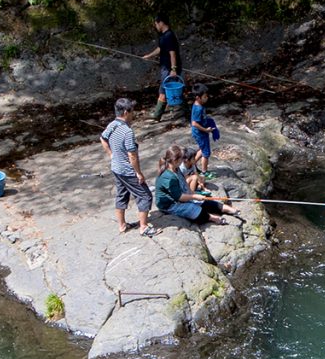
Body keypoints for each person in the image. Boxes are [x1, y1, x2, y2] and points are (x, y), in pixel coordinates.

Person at [100, 98, 159, 237]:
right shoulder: (127, 132)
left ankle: (122, 225)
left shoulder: (112, 124)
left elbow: (102, 138)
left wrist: (111, 155)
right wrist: (138, 173)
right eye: (132, 111)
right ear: (126, 112)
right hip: (127, 170)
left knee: (121, 195)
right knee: (145, 195)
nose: (134, 114)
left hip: (116, 168)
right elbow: (132, 155)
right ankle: (143, 228)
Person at [155, 145, 239, 226]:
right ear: (174, 160)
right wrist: (194, 196)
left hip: (182, 196)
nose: (183, 161)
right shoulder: (169, 177)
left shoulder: (176, 168)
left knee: (203, 201)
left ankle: (231, 210)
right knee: (193, 209)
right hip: (170, 205)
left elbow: (184, 184)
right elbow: (179, 197)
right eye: (181, 159)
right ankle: (213, 218)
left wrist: (192, 194)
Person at [142, 15, 182, 122]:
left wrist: (173, 69)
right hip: (165, 68)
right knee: (171, 91)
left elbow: (172, 53)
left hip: (169, 68)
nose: (155, 26)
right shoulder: (163, 36)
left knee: (163, 92)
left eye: (156, 24)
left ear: (161, 23)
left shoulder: (169, 36)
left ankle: (157, 115)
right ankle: (185, 110)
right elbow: (160, 49)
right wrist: (149, 56)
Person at [190, 84, 217, 177]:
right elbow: (194, 123)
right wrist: (205, 130)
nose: (207, 98)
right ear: (198, 97)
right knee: (206, 153)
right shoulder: (198, 108)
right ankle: (204, 172)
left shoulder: (199, 105)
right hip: (200, 133)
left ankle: (191, 164)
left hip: (201, 132)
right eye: (205, 97)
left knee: (202, 149)